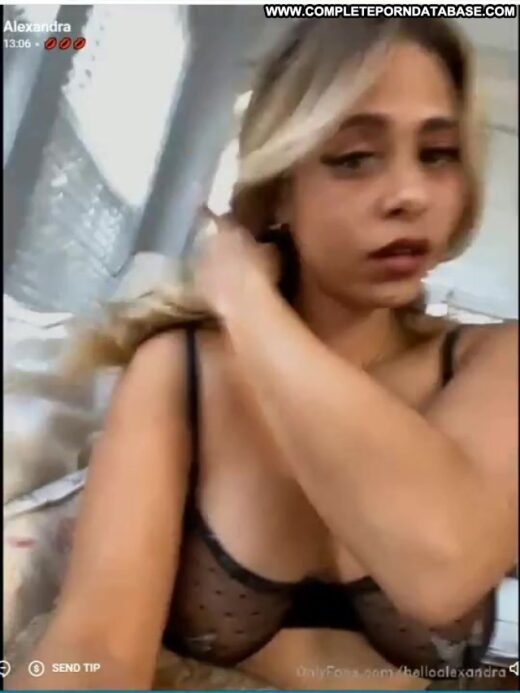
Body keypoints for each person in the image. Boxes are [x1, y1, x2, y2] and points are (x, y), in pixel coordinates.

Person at [8, 16, 517, 691]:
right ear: (280, 186)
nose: (409, 195)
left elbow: (441, 568)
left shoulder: (495, 360)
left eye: (438, 153)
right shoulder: (182, 370)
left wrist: (248, 300)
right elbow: (96, 646)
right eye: (355, 157)